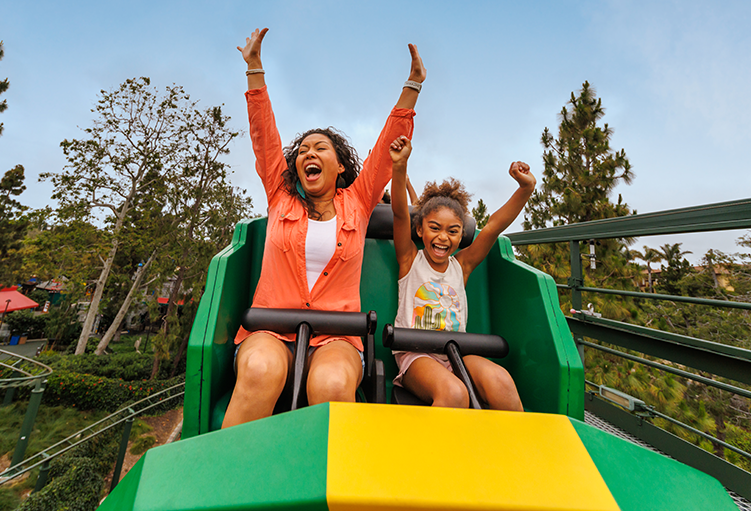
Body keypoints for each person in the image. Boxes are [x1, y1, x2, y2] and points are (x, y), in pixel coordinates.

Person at [223, 28, 426, 428]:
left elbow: (389, 146)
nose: (308, 153)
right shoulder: (281, 198)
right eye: (302, 151)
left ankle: (329, 487)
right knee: (261, 369)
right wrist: (254, 71)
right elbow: (264, 138)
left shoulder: (359, 201)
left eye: (320, 148)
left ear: (341, 167)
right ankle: (225, 481)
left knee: (332, 383)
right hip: (272, 330)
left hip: (338, 335)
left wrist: (413, 85)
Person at [388, 135, 535, 410]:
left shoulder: (461, 266)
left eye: (453, 231)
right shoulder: (410, 260)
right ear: (420, 230)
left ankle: (511, 450)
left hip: (455, 352)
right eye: (435, 228)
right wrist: (399, 167)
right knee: (455, 394)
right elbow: (399, 214)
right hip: (416, 356)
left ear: (461, 235)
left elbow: (492, 227)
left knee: (501, 382)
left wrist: (525, 189)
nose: (443, 237)